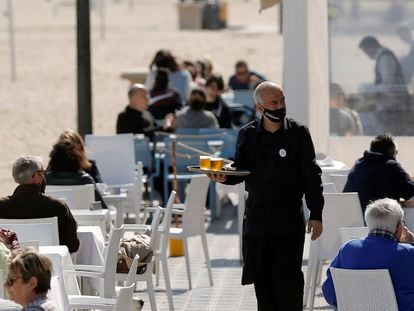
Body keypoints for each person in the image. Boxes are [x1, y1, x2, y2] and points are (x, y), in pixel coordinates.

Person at [208, 81, 324, 310]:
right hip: (257, 219)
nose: (280, 106)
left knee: (288, 281)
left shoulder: (299, 133)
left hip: (289, 218)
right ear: (260, 108)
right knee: (263, 282)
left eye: (282, 100)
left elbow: (311, 176)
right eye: (274, 102)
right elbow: (240, 170)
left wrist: (316, 213)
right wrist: (224, 177)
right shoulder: (248, 134)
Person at [322, 198, 414, 311]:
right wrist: (411, 244)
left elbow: (329, 292)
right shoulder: (408, 253)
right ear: (399, 226)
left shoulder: (348, 249)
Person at [0, 156, 79, 253]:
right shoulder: (57, 206)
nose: (44, 177)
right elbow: (72, 245)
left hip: (13, 264)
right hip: (50, 264)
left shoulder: (2, 206)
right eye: (42, 173)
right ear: (35, 176)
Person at [343, 133, 414, 213]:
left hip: (354, 221)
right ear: (392, 153)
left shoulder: (359, 164)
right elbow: (412, 198)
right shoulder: (391, 166)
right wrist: (400, 204)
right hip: (381, 220)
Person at [358, 35, 410, 135]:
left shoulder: (385, 58)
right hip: (389, 104)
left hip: (393, 105)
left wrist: (369, 89)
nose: (366, 54)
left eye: (365, 51)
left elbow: (388, 85)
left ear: (370, 47)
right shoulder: (382, 57)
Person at [46, 140, 108, 209]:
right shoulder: (85, 180)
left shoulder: (45, 180)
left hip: (57, 219)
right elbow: (102, 208)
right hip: (85, 219)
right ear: (77, 159)